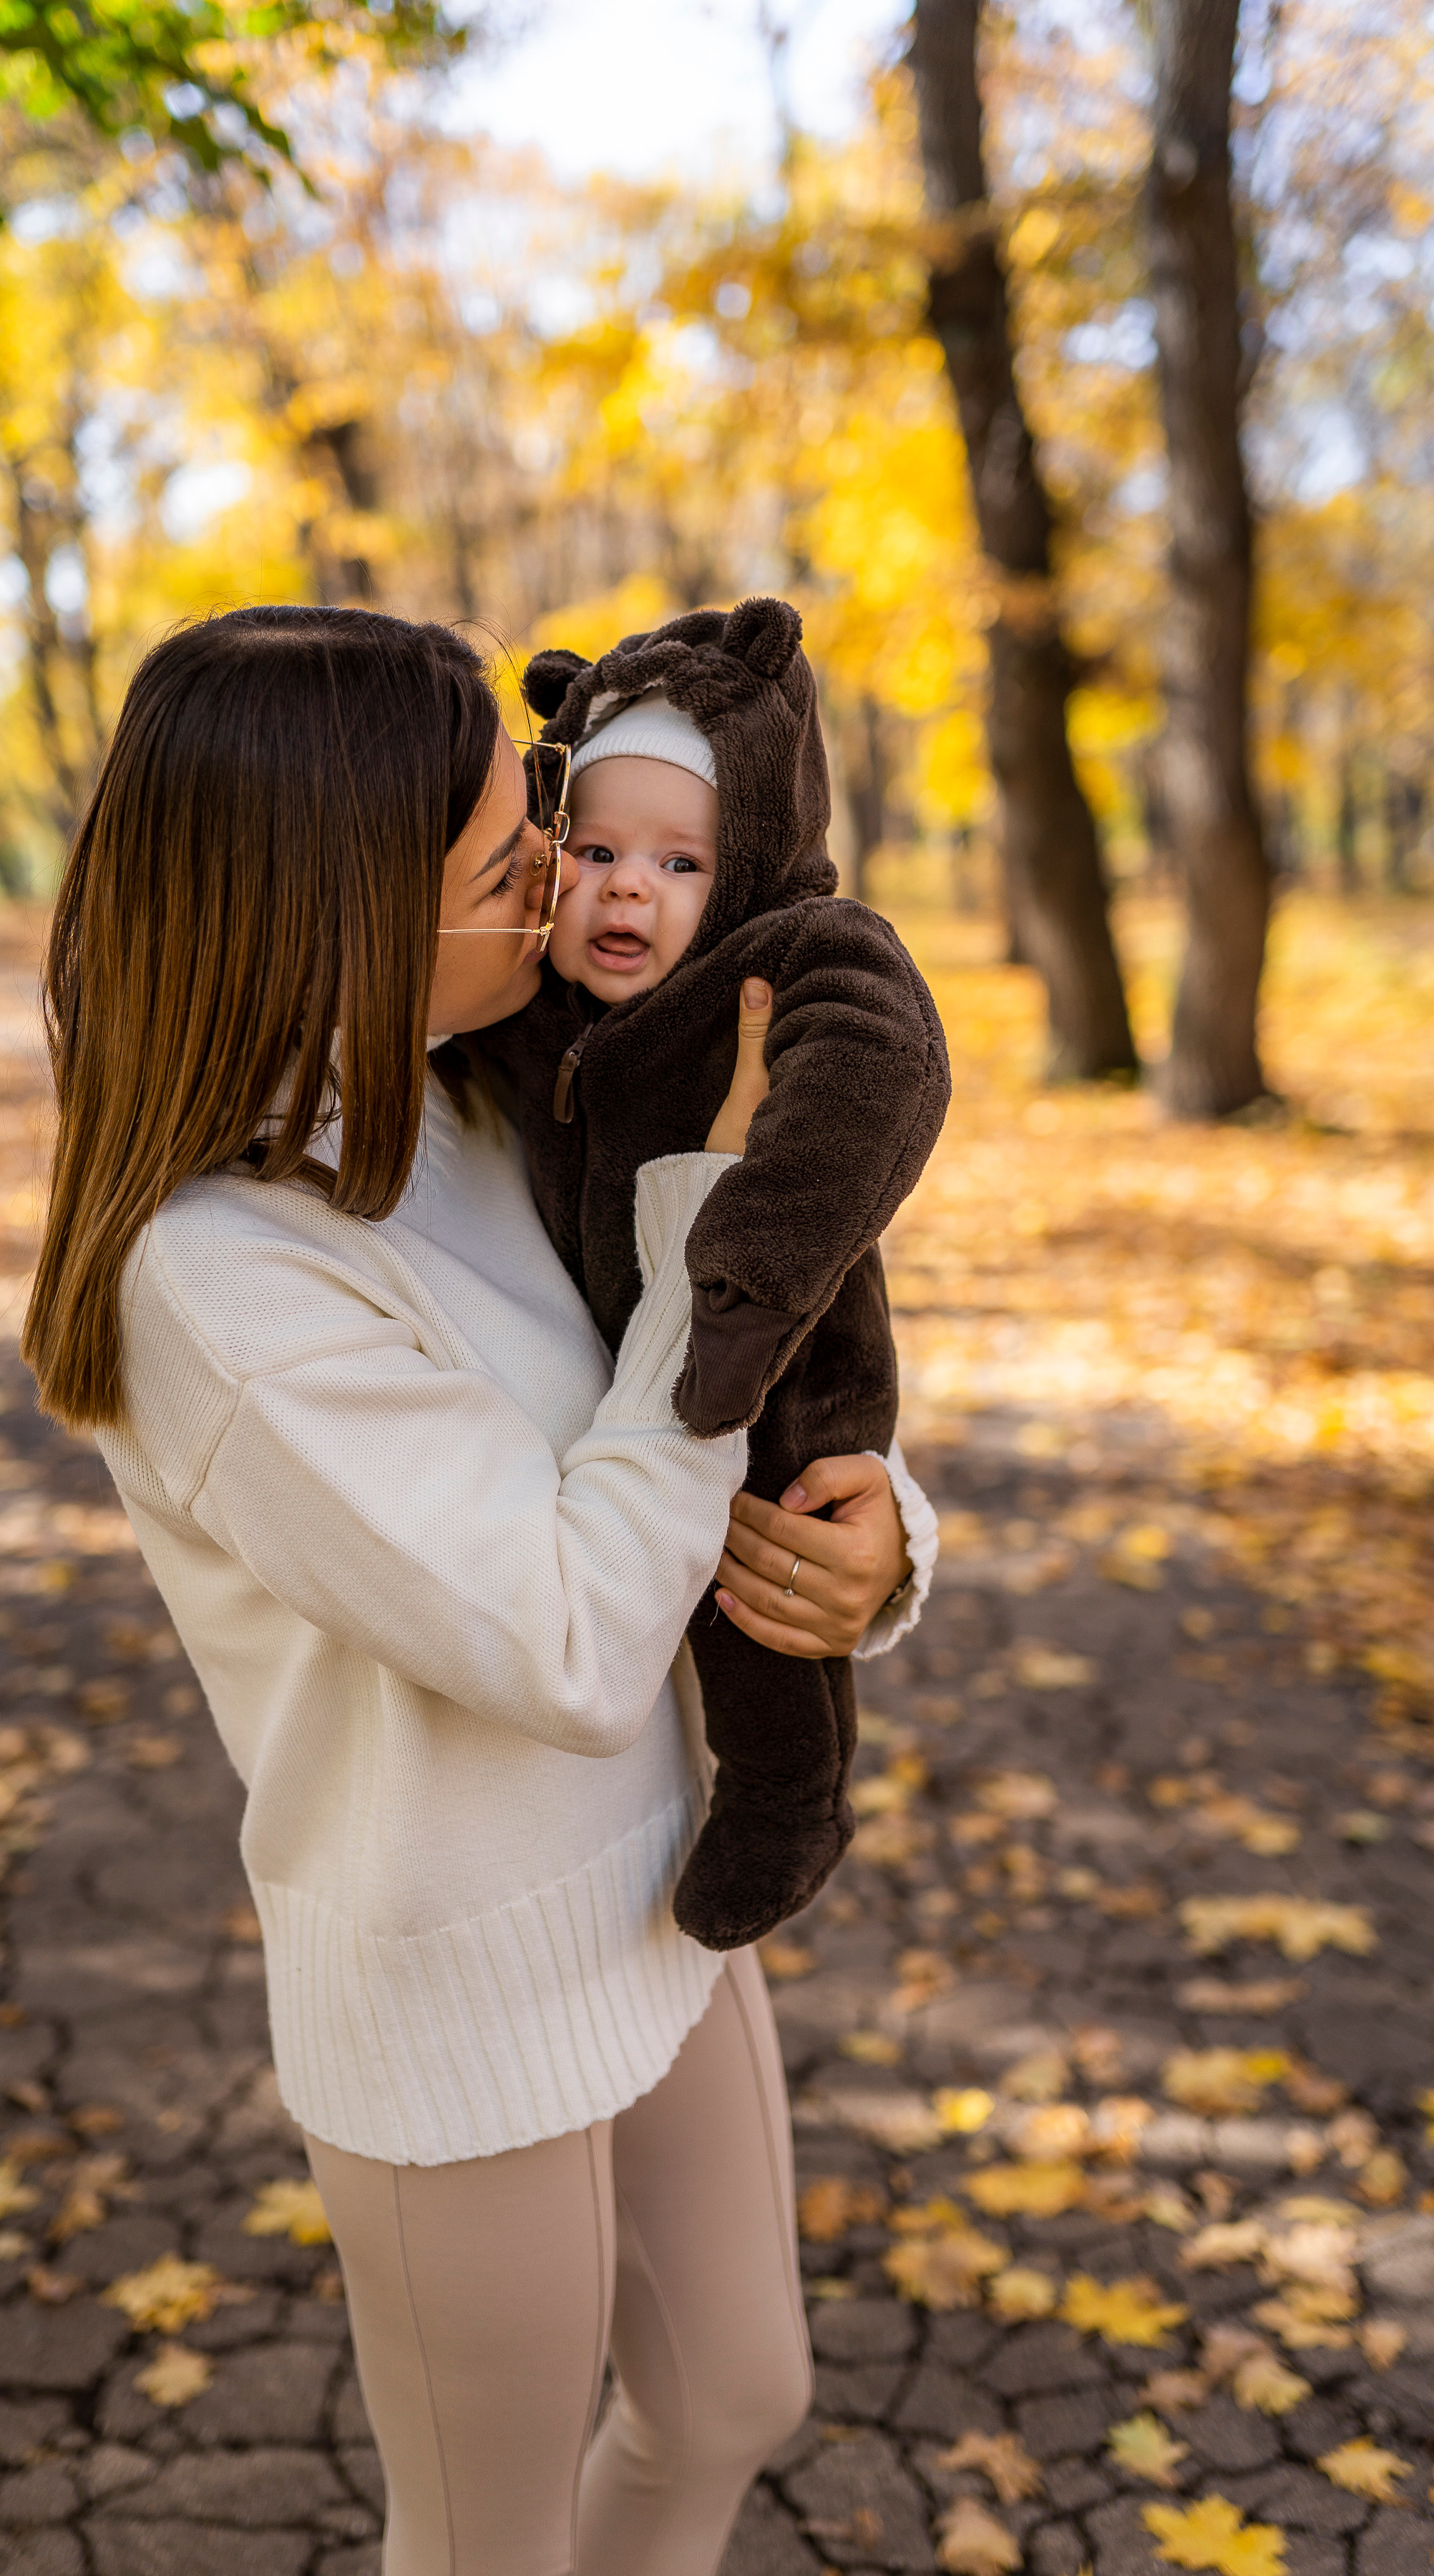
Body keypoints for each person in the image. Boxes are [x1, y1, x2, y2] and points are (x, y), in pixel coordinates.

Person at [21, 602, 933, 2576]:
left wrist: (878, 1544)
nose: (562, 879)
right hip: (454, 1979)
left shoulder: (471, 1096)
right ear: (345, 909)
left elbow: (673, 1391)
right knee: (485, 2543)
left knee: (733, 2402)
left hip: (654, 1895)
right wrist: (724, 1214)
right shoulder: (220, 1282)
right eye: (509, 856)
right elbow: (579, 1633)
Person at [488, 597, 950, 1953]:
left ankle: (790, 1798)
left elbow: (881, 1071)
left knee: (765, 1602)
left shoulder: (800, 956)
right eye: (595, 850)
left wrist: (746, 1278)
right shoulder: (529, 1010)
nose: (630, 887)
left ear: (746, 862)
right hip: (631, 1413)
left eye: (682, 862)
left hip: (783, 1369)